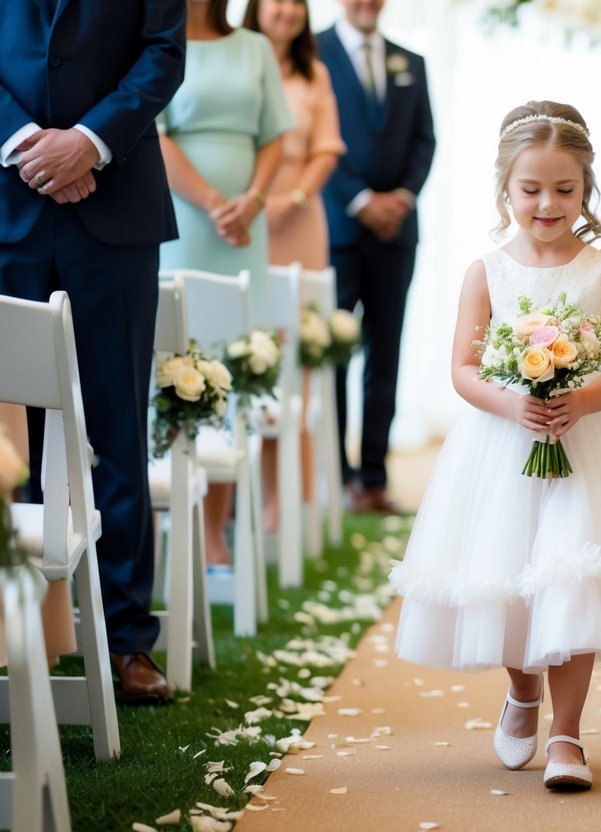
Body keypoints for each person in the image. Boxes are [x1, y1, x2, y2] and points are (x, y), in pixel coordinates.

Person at [388, 101, 601, 791]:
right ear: (505, 186)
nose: (547, 203)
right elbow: (464, 369)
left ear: (586, 188)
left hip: (586, 445)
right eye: (531, 189)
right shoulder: (487, 271)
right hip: (504, 447)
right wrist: (514, 401)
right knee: (508, 579)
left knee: (574, 576)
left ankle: (567, 733)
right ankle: (521, 690)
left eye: (564, 188)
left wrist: (580, 397)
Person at [0, 0, 186, 703]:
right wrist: (32, 143)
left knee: (118, 426)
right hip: (3, 204)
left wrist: (90, 141)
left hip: (118, 203)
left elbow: (163, 52)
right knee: (1, 432)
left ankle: (127, 639)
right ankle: (11, 631)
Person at [158, 0, 293, 569]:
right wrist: (214, 202)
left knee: (234, 362)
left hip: (245, 228)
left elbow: (274, 136)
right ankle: (168, 518)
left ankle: (216, 530)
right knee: (177, 359)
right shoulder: (157, 41)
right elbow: (153, 133)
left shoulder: (255, 47)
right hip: (182, 220)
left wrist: (253, 200)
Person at [316, 0, 436, 514]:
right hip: (337, 231)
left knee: (385, 356)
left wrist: (400, 199)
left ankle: (374, 479)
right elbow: (309, 143)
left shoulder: (411, 61)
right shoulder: (312, 52)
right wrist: (361, 201)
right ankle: (338, 478)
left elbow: (424, 142)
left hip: (397, 233)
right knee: (332, 358)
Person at [242, 0, 345, 534]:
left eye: (295, 4)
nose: (285, 11)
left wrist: (296, 197)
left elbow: (327, 149)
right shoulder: (238, 61)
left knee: (296, 356)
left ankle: (287, 500)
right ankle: (235, 493)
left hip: (299, 220)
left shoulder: (315, 74)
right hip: (243, 221)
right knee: (245, 351)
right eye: (275, 1)